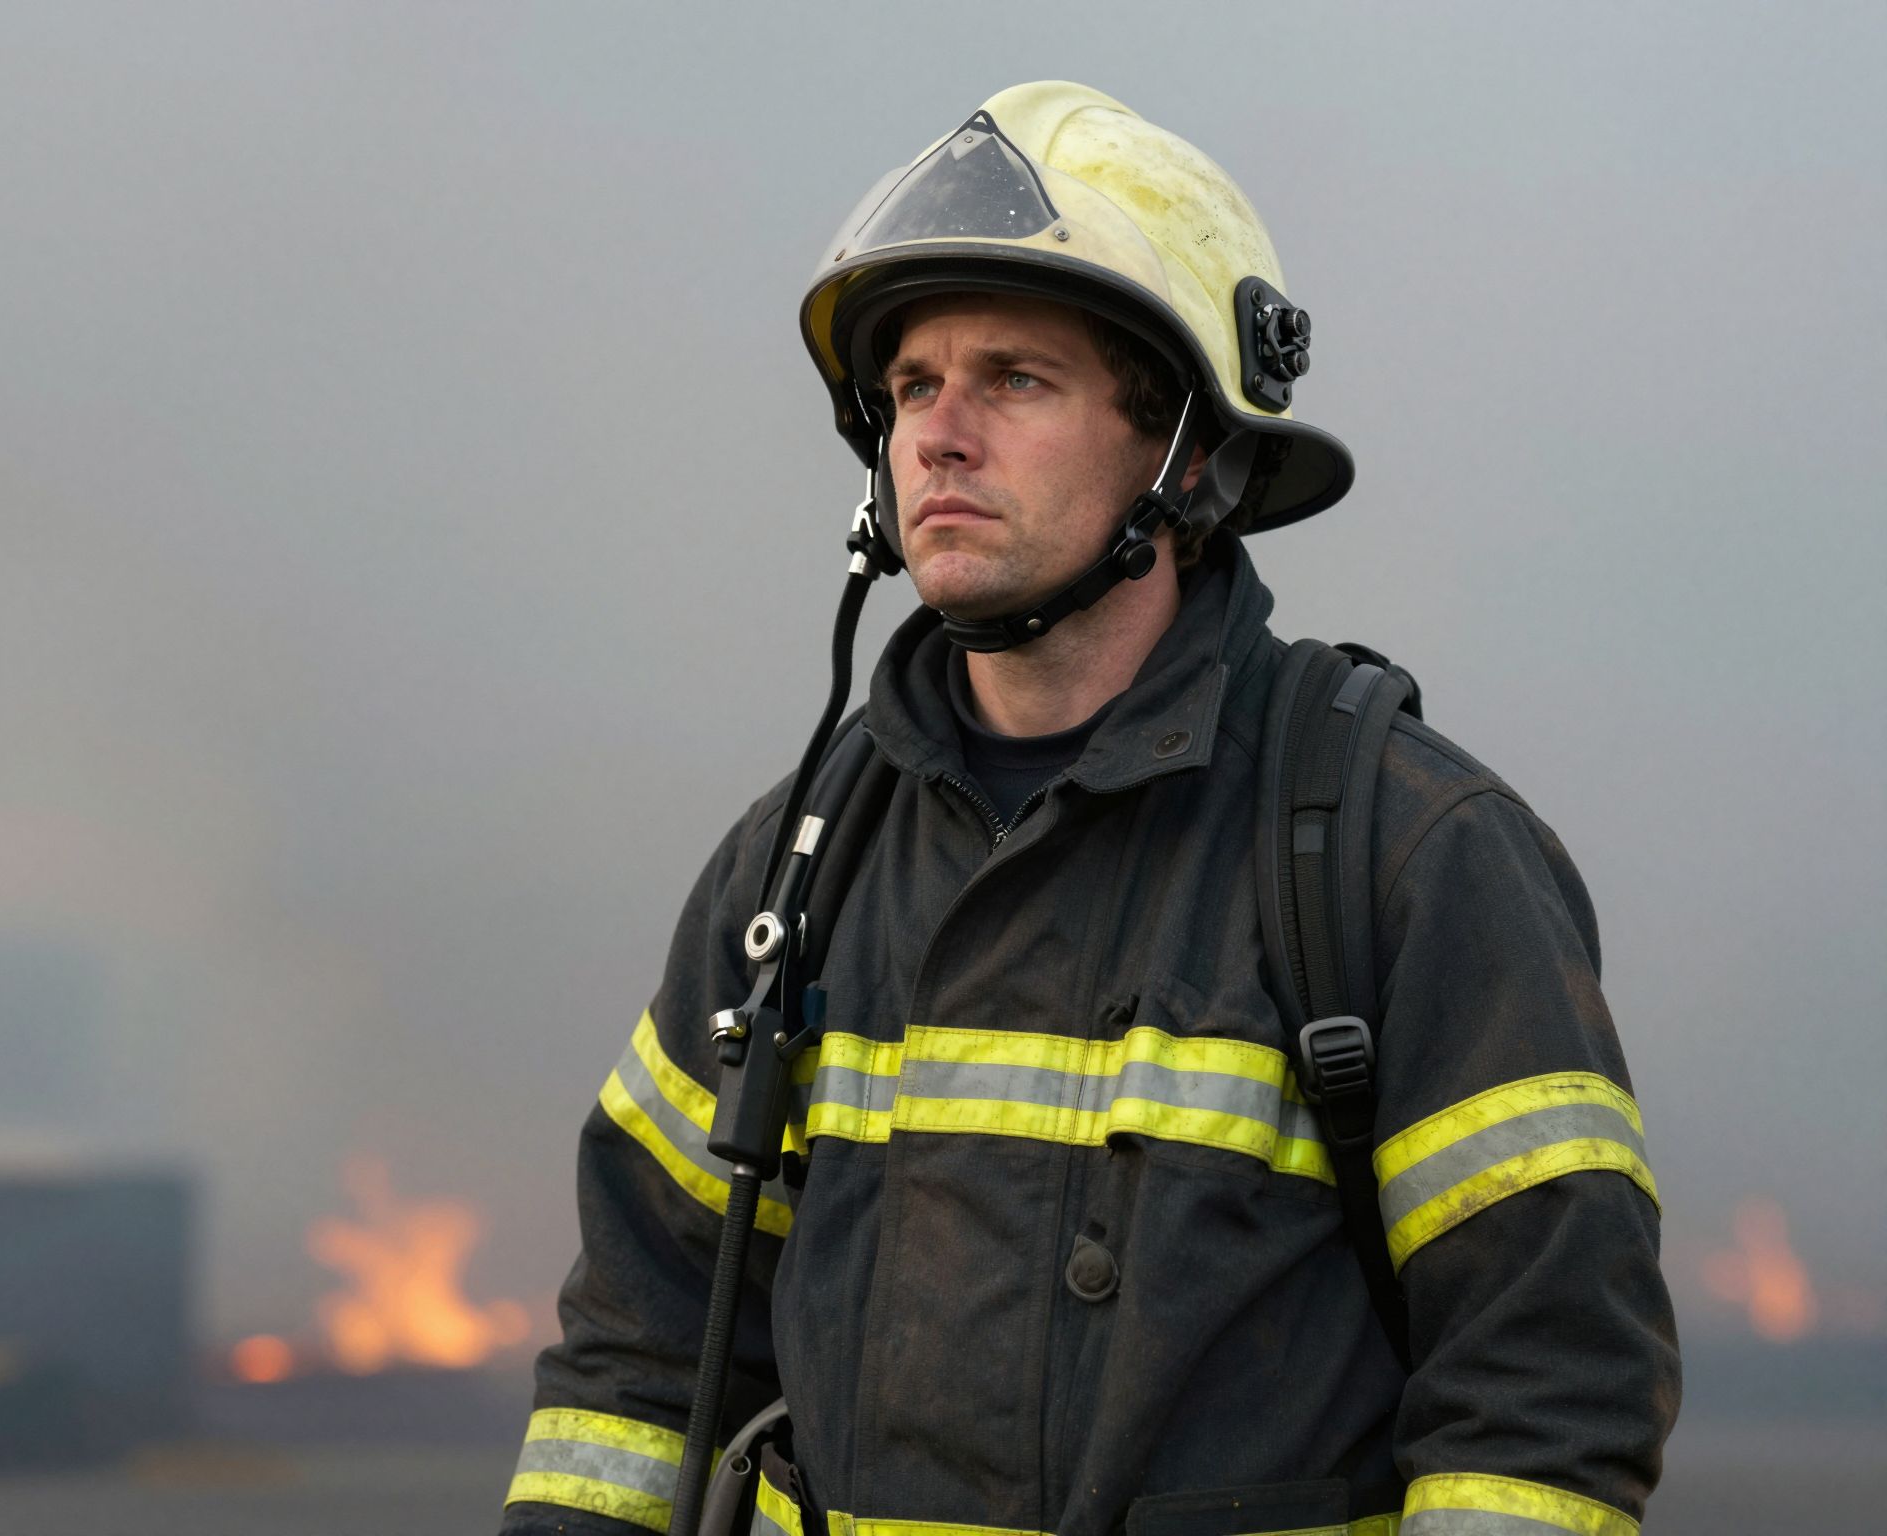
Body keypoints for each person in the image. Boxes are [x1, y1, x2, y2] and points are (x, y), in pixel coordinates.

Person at [502, 81, 1679, 1536]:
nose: (937, 436)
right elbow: (638, 1356)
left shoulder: (1402, 853)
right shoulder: (798, 866)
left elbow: (1548, 1396)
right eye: (914, 385)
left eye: (1016, 378)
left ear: (1186, 453)